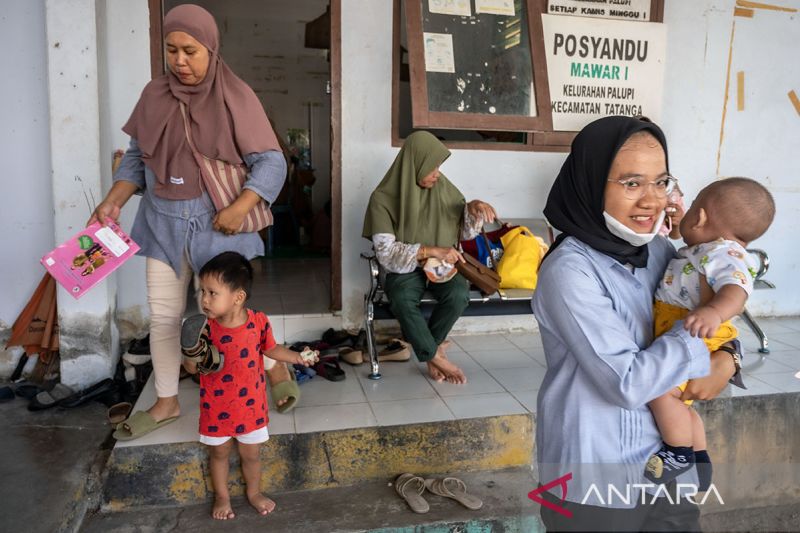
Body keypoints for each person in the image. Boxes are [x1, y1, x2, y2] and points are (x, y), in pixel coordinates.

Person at [89, 4, 299, 441]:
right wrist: (112, 202)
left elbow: (272, 162)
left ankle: (273, 366)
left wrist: (242, 206)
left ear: (211, 49)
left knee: (232, 316)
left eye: (190, 51)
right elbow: (135, 157)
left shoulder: (235, 96)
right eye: (171, 51)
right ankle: (166, 401)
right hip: (161, 222)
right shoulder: (154, 95)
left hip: (216, 224)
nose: (180, 61)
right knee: (164, 317)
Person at [532, 116, 741, 531]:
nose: (653, 200)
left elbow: (720, 307)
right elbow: (626, 383)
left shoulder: (661, 251)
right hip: (594, 475)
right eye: (631, 184)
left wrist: (730, 358)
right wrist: (702, 347)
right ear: (591, 184)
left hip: (667, 464)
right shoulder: (570, 271)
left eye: (661, 182)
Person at [646, 177, 775, 488]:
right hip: (688, 328)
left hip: (697, 330)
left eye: (690, 210)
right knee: (680, 403)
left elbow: (736, 290)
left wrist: (714, 311)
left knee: (661, 391)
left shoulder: (723, 252)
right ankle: (700, 458)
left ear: (700, 217)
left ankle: (678, 452)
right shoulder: (707, 248)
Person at [181, 252, 317, 520]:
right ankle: (222, 496)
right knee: (218, 454)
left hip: (250, 407)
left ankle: (254, 493)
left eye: (212, 293)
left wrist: (297, 357)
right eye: (202, 292)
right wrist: (191, 355)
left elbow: (273, 349)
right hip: (215, 407)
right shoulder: (204, 328)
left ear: (238, 297)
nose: (204, 300)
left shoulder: (258, 322)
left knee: (251, 455)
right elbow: (191, 368)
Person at [362, 131, 497, 384]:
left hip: (442, 267)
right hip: (405, 268)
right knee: (401, 298)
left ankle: (430, 351)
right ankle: (435, 354)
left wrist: (474, 209)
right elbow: (386, 254)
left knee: (458, 295)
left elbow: (464, 232)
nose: (437, 173)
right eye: (432, 166)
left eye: (439, 166)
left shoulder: (446, 191)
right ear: (415, 163)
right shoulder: (382, 199)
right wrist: (430, 250)